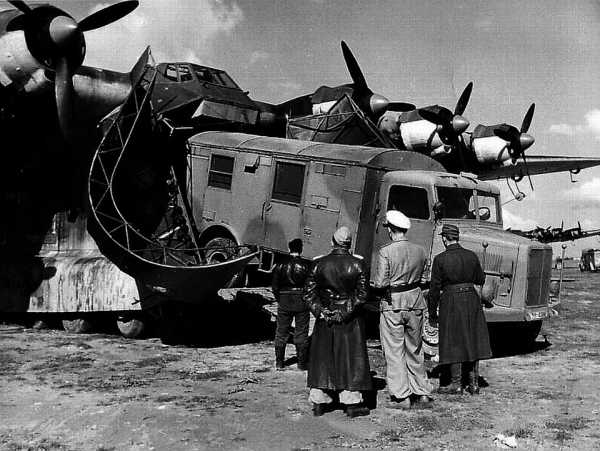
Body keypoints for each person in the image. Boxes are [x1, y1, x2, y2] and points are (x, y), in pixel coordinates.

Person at [304, 226, 372, 418]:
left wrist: (321, 311)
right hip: (350, 319)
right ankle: (351, 402)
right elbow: (362, 295)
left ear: (332, 242)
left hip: (326, 317)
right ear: (349, 244)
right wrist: (343, 312)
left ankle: (318, 400)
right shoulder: (359, 264)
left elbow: (308, 294)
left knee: (322, 359)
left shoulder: (318, 264)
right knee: (350, 359)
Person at [371, 210, 433, 409]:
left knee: (394, 351)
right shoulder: (421, 250)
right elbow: (425, 279)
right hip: (415, 303)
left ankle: (401, 396)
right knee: (415, 349)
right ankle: (422, 392)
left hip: (393, 305)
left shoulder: (386, 251)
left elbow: (380, 283)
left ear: (391, 229)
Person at [428, 224, 492, 395]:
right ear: (457, 237)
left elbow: (434, 289)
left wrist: (432, 314)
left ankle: (456, 384)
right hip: (471, 299)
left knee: (454, 340)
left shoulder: (440, 259)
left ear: (444, 238)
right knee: (472, 339)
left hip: (451, 301)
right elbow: (480, 279)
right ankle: (474, 384)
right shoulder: (472, 256)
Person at [272, 238, 310, 370]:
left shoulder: (280, 265)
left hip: (284, 300)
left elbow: (275, 286)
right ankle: (302, 364)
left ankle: (279, 363)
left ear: (289, 249)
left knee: (281, 332)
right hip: (301, 301)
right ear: (301, 250)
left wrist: (279, 299)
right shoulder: (306, 265)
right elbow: (310, 286)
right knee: (301, 333)